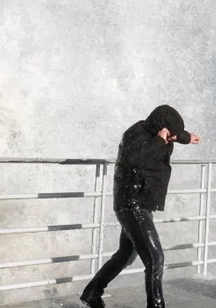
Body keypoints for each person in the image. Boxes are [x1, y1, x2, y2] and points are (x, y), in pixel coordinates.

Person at [81, 105, 200, 308]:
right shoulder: (134, 135)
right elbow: (135, 158)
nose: (172, 139)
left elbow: (172, 135)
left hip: (142, 203)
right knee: (155, 259)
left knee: (125, 255)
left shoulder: (160, 132)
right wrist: (159, 141)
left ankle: (92, 293)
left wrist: (186, 137)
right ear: (161, 128)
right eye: (170, 135)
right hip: (131, 203)